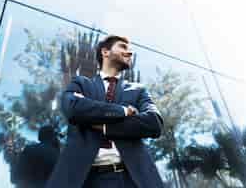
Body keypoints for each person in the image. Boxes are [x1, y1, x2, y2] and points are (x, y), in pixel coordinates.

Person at [46, 35, 165, 188]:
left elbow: (154, 122)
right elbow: (73, 108)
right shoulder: (81, 83)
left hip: (133, 180)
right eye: (123, 47)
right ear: (105, 52)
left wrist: (104, 127)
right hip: (85, 180)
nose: (129, 53)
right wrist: (122, 111)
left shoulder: (138, 91)